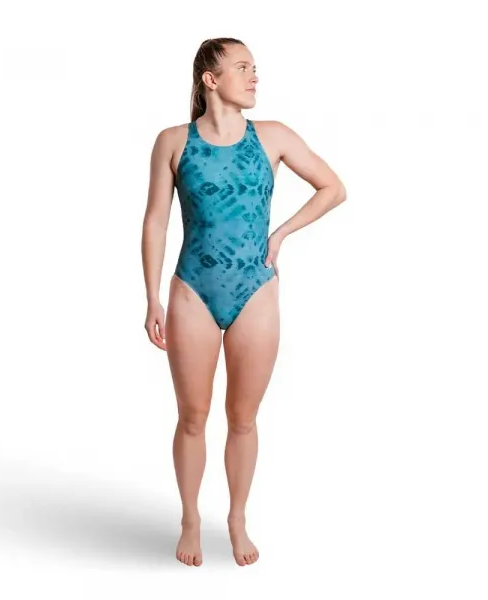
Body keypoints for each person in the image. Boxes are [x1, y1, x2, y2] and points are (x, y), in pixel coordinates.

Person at [141, 37, 346, 567]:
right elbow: (156, 221)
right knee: (192, 416)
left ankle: (236, 517)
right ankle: (190, 518)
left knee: (243, 418)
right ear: (211, 79)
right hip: (192, 290)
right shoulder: (172, 141)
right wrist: (151, 298)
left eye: (255, 68)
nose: (255, 77)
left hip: (255, 289)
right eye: (242, 68)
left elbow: (332, 187)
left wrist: (281, 235)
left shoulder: (273, 136)